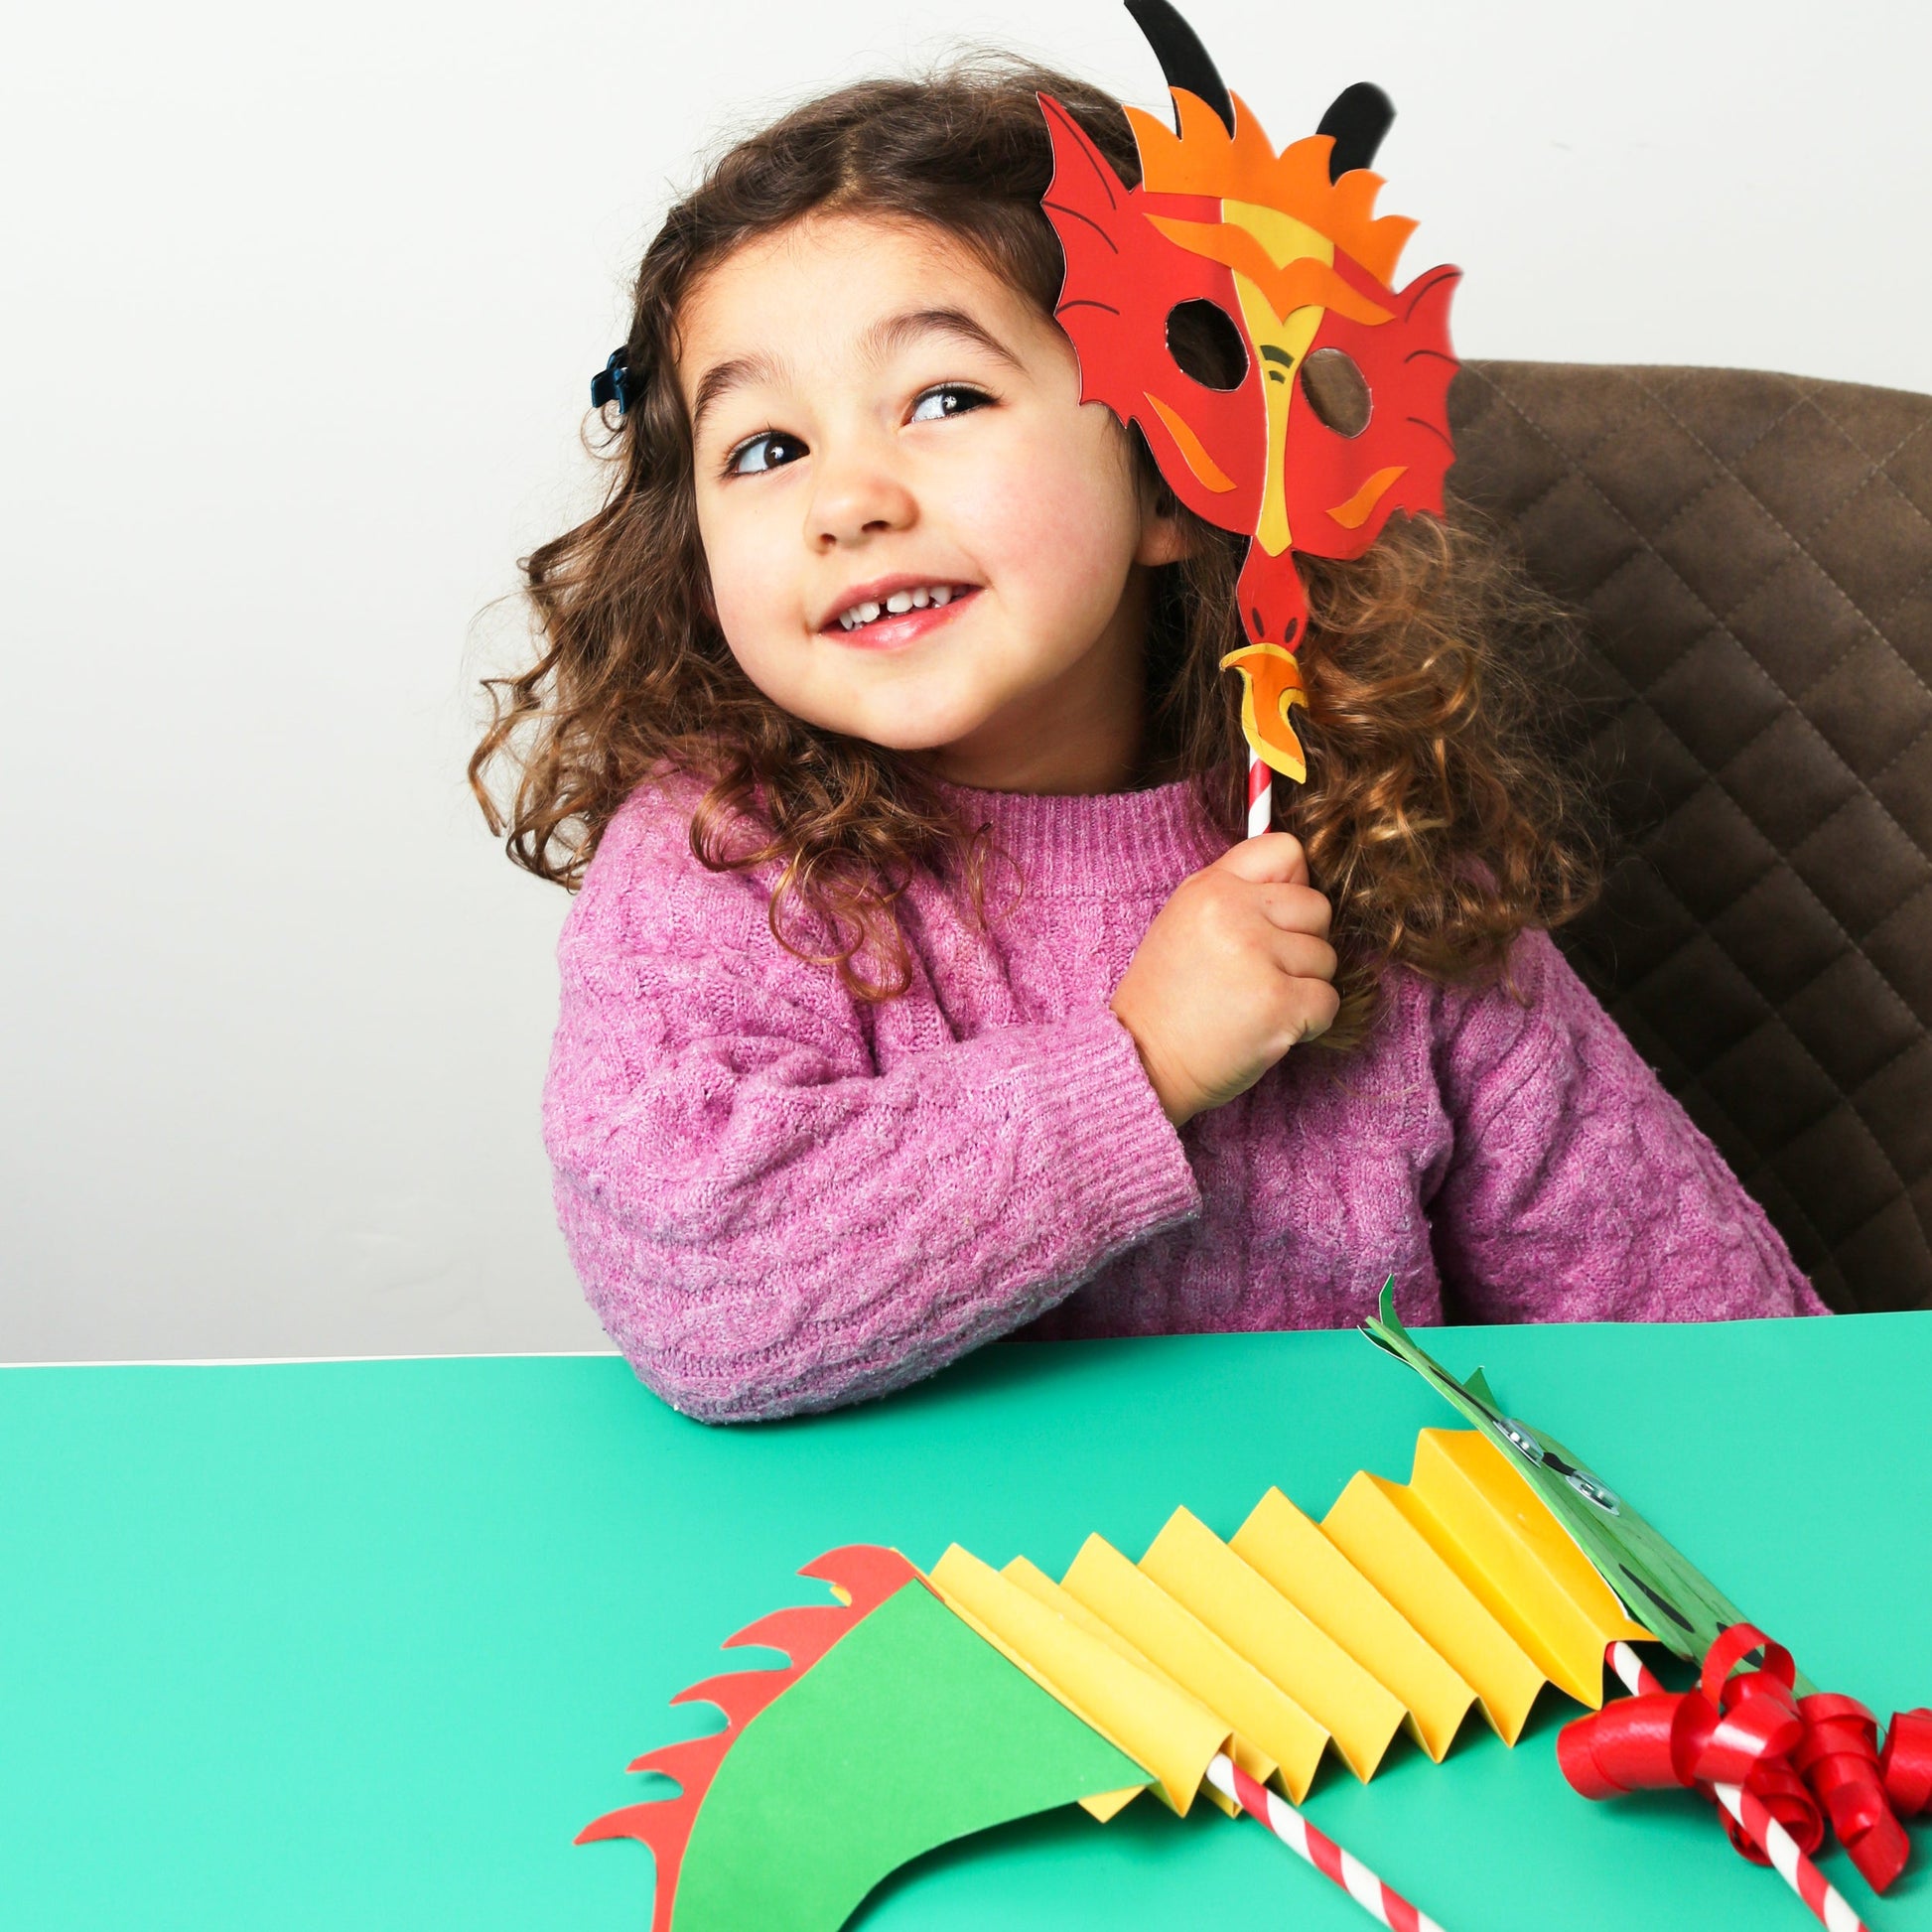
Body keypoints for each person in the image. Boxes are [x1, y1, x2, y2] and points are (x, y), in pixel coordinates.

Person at [469, 55, 1825, 1425]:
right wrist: (1141, 1063)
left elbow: (1692, 1324)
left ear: (1179, 469)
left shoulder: (1365, 846)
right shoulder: (723, 864)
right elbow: (708, 1299)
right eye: (763, 447)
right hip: (903, 1598)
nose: (847, 500)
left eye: (943, 399)